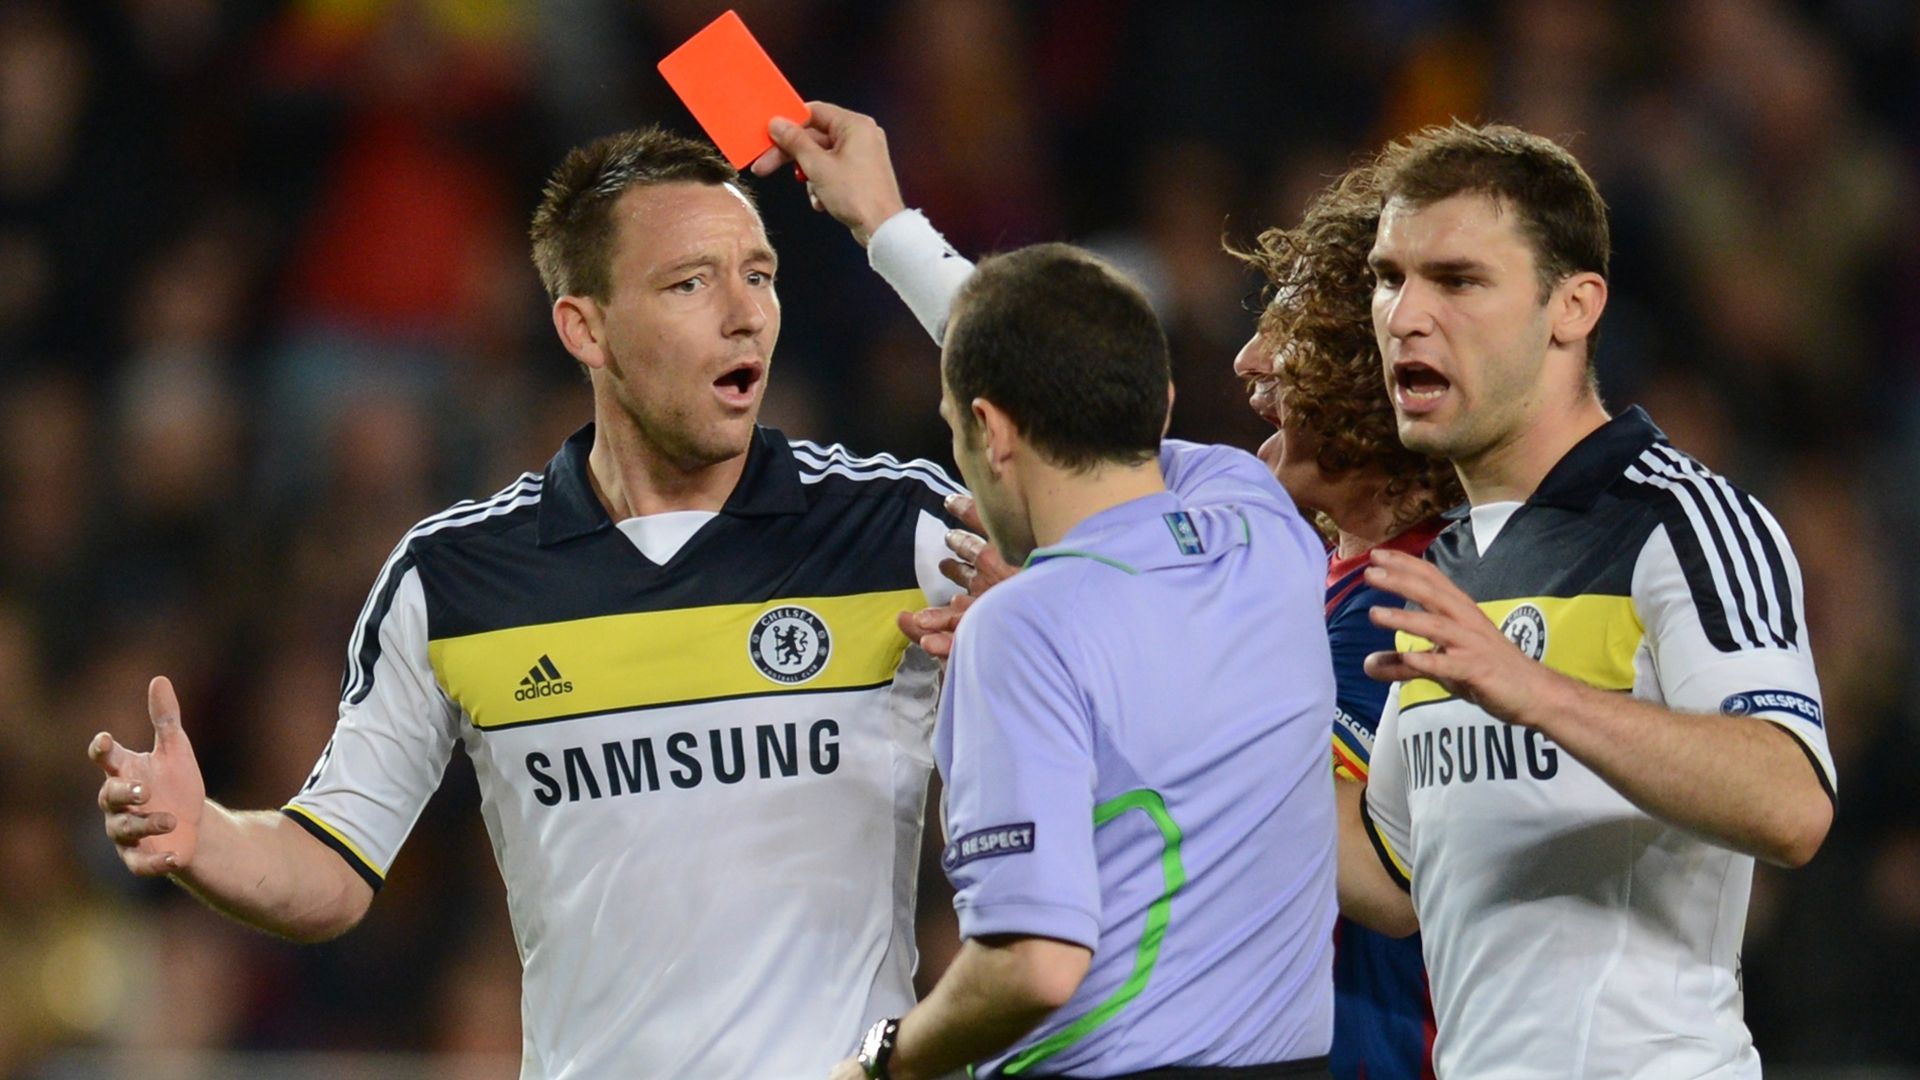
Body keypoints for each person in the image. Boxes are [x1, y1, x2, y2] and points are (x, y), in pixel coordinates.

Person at [89, 127, 969, 1079]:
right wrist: (205, 836)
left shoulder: (900, 534)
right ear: (583, 328)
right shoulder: (456, 581)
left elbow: (1093, 447)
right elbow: (334, 865)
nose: (745, 315)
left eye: (759, 275)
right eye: (690, 284)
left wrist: (888, 227)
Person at [765, 107, 1340, 1080]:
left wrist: (880, 1064)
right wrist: (884, 222)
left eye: (955, 424)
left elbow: (1032, 967)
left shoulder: (1020, 630)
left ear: (990, 431)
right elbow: (1062, 365)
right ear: (1157, 402)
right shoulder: (1258, 517)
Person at [1340, 122, 1835, 1077]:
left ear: (1573, 307)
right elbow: (1390, 875)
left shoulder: (1678, 521)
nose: (1403, 314)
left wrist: (1533, 689)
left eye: (1457, 280)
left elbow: (1791, 799)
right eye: (1388, 276)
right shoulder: (1452, 563)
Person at [1227, 164, 1462, 1080]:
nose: (1247, 358)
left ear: (1371, 370)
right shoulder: (1325, 574)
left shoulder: (1421, 596)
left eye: (1288, 335)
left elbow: (1373, 879)